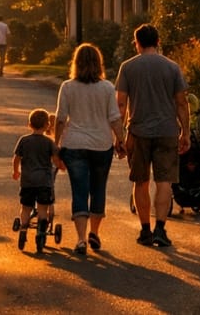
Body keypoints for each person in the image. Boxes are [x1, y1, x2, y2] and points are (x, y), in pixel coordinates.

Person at [116, 23, 190, 248]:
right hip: (167, 131)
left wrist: (120, 136)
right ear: (158, 42)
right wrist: (185, 132)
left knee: (141, 181)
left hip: (138, 132)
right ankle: (161, 228)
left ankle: (145, 230)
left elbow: (120, 104)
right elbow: (181, 102)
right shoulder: (172, 67)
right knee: (164, 181)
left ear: (137, 43)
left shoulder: (128, 67)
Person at [54, 42, 125, 256]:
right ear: (98, 63)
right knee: (98, 189)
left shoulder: (67, 86)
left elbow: (60, 118)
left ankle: (81, 239)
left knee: (79, 190)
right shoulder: (107, 87)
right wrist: (120, 140)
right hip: (101, 145)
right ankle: (94, 231)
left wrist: (56, 145)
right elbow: (115, 118)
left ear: (76, 63)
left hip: (74, 144)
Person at [12, 108, 58, 251]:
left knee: (25, 208)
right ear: (47, 126)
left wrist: (16, 171)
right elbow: (55, 160)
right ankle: (41, 232)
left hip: (27, 182)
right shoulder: (49, 143)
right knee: (43, 208)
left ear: (29, 124)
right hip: (44, 182)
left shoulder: (24, 140)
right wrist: (62, 165)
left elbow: (17, 158)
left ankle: (23, 229)